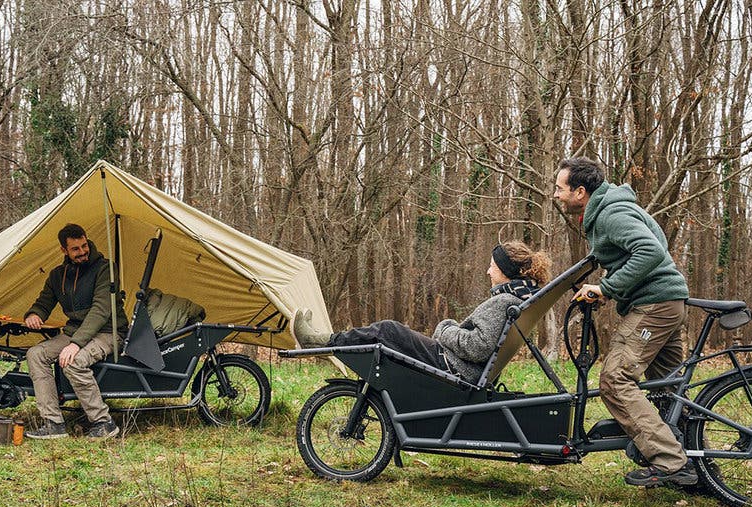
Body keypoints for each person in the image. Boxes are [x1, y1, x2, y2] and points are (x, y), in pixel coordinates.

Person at [553, 156, 696, 487]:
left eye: (560, 189)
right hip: (667, 301)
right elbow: (652, 244)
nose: (556, 195)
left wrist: (607, 287)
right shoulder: (613, 208)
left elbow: (650, 252)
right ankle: (694, 461)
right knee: (668, 391)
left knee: (615, 380)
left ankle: (671, 462)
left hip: (654, 305)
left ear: (580, 191)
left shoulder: (612, 214)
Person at [294, 241, 551, 384]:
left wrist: (445, 328)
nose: (487, 271)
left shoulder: (503, 301)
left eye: (492, 267)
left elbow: (477, 347)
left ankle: (322, 341)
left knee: (388, 330)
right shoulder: (516, 297)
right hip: (459, 365)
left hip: (454, 367)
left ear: (505, 271)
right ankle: (327, 341)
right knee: (389, 333)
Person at [22, 224, 129, 440]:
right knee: (36, 354)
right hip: (76, 332)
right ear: (64, 250)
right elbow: (44, 302)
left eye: (84, 246)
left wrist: (75, 344)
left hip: (109, 331)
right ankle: (53, 423)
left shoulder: (105, 268)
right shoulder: (57, 275)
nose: (82, 252)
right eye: (75, 249)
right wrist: (34, 314)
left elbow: (101, 310)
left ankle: (103, 423)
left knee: (73, 362)